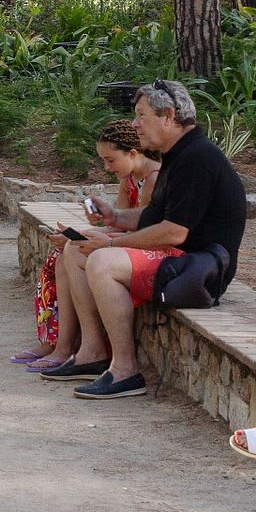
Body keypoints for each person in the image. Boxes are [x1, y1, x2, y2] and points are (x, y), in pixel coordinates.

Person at [42, 80, 247, 400]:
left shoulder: (197, 158)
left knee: (102, 261)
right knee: (76, 249)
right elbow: (155, 217)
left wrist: (111, 244)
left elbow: (174, 232)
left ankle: (125, 370)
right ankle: (93, 354)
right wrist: (113, 218)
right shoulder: (178, 154)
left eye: (141, 115)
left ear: (168, 116)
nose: (135, 123)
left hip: (200, 270)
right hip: (181, 258)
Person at [13, 118, 161, 374]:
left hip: (148, 248)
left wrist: (86, 236)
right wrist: (81, 233)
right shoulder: (129, 178)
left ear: (132, 153)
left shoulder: (153, 178)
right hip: (131, 242)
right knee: (63, 256)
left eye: (111, 160)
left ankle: (82, 348)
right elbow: (121, 223)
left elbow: (142, 229)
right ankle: (65, 345)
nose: (107, 167)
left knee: (73, 251)